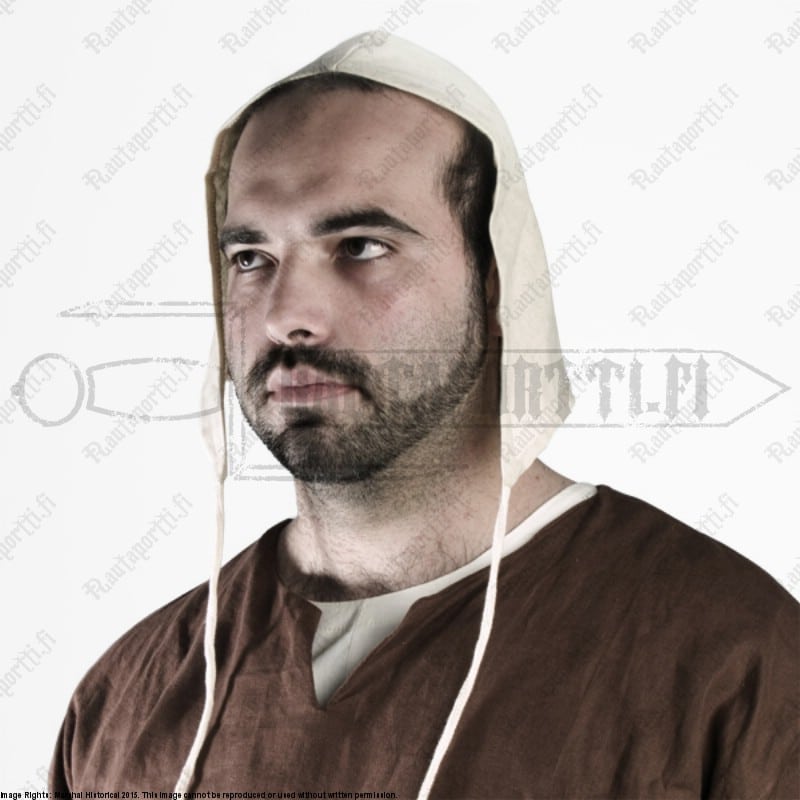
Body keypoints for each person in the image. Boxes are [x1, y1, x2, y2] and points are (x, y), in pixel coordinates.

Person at [50, 32, 799, 798]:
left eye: (360, 246)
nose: (285, 316)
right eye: (251, 258)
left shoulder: (731, 664)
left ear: (497, 282)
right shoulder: (123, 706)